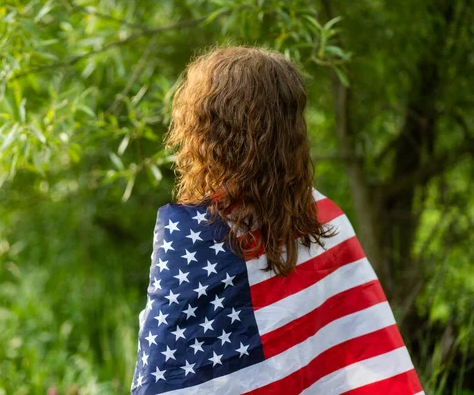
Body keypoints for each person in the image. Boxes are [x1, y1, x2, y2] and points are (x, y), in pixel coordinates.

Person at [131, 46, 423, 394]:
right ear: (291, 131)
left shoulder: (190, 235)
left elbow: (161, 378)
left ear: (205, 131)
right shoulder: (324, 222)